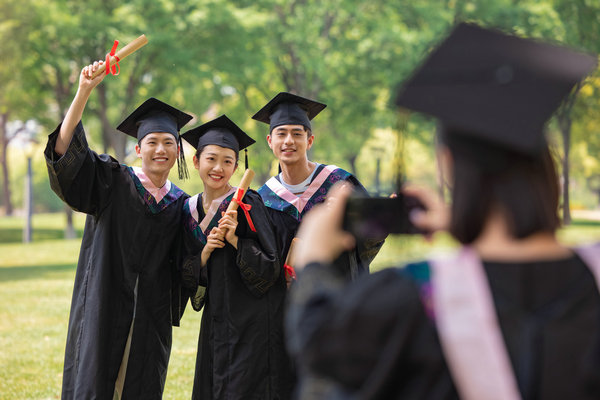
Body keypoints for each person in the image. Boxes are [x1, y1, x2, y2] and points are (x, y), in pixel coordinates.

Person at [285, 23, 600, 400]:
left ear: (448, 164)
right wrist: (467, 222)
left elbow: (320, 343)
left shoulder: (416, 300)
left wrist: (313, 262)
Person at [44, 60, 192, 399]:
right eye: (152, 142)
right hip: (103, 306)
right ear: (138, 150)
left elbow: (189, 265)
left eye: (169, 143)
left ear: (178, 151)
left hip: (150, 319)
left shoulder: (180, 204)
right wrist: (83, 91)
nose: (160, 149)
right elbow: (66, 156)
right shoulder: (112, 180)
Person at [180, 115, 293, 399]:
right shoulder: (187, 210)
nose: (219, 168)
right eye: (211, 159)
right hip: (217, 319)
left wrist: (234, 240)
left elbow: (270, 268)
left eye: (228, 161)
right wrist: (206, 251)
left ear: (235, 166)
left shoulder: (248, 203)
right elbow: (185, 271)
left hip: (252, 323)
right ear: (196, 161)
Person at [252, 92, 384, 283]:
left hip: (339, 293)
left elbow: (367, 240)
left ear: (310, 141)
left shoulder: (339, 183)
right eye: (281, 134)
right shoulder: (263, 198)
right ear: (270, 141)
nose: (289, 140)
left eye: (297, 134)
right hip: (287, 305)